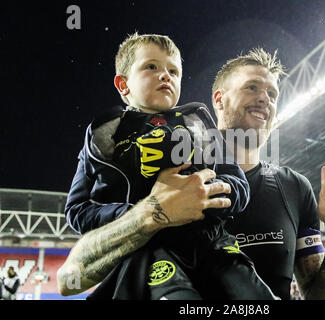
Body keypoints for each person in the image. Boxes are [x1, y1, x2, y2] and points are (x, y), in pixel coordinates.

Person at [58, 48, 325, 300]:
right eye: (252, 87)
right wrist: (152, 213)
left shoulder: (295, 187)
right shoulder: (163, 176)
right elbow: (68, 280)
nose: (265, 99)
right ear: (218, 100)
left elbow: (319, 296)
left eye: (273, 94)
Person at [58, 33, 277, 300]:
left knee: (255, 297)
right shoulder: (103, 135)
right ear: (123, 84)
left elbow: (238, 183)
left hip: (213, 244)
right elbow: (77, 210)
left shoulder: (199, 124)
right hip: (149, 250)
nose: (166, 75)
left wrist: (205, 197)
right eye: (152, 67)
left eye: (173, 70)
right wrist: (139, 211)